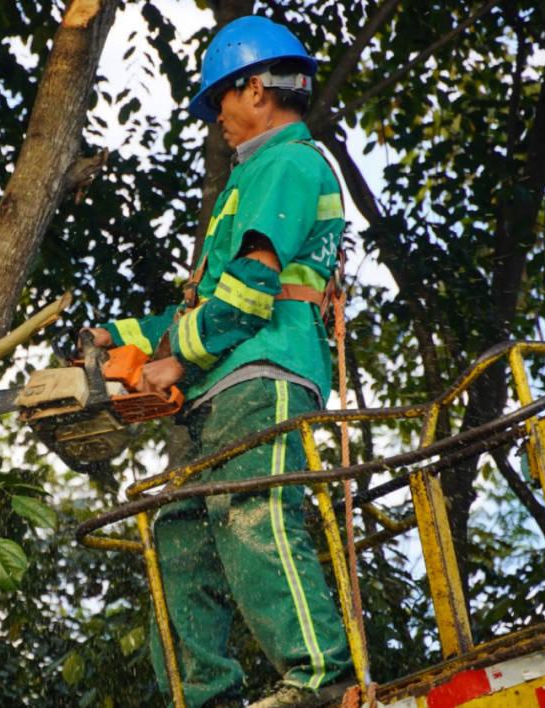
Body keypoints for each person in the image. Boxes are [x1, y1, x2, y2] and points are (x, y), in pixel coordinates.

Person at [82, 15, 353, 708]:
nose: (218, 120)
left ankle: (320, 677)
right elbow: (203, 309)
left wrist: (175, 363)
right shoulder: (252, 176)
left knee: (252, 510)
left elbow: (255, 281)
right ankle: (205, 698)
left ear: (256, 88)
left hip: (264, 371)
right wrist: (115, 337)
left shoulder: (286, 161)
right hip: (222, 381)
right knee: (178, 535)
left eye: (220, 103)